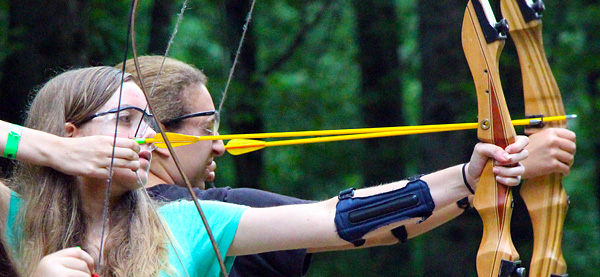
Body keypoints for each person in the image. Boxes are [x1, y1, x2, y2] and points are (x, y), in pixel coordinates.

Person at [0, 66, 528, 276]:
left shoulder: (187, 226)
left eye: (149, 122)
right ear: (68, 132)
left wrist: (466, 177)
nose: (147, 137)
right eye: (127, 121)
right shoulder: (18, 219)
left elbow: (340, 220)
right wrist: (44, 150)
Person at [120, 56, 577, 270]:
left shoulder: (74, 222)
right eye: (206, 130)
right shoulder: (197, 217)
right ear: (156, 140)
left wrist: (474, 179)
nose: (218, 146)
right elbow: (349, 222)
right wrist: (477, 175)